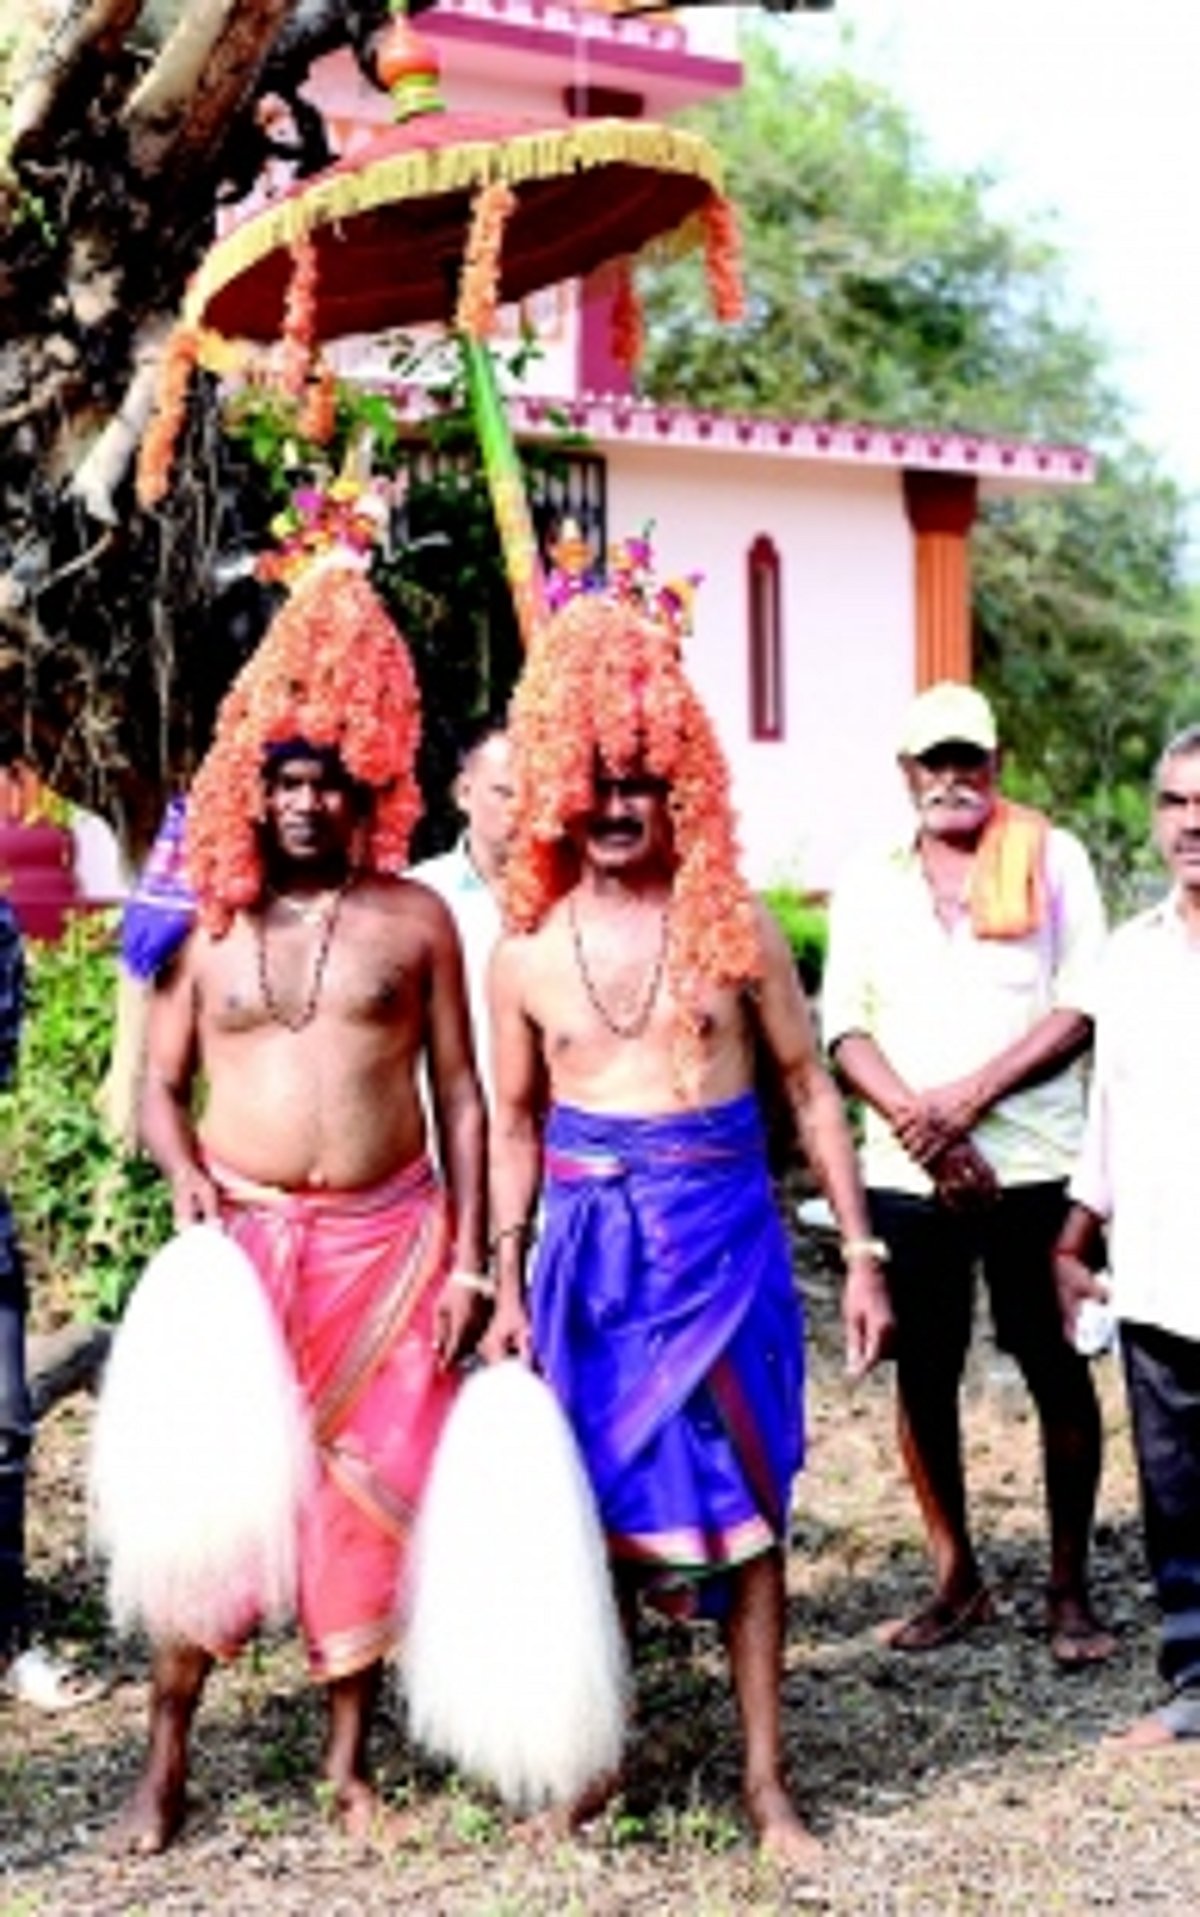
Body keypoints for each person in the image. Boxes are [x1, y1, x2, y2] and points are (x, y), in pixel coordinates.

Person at [484, 545, 892, 1868]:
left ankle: (769, 1785)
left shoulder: (739, 931)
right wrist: (499, 1278)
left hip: (727, 1253)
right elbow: (511, 1123)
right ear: (560, 792)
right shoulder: (523, 953)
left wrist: (867, 1254)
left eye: (640, 782)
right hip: (590, 1267)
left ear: (680, 789)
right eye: (594, 782)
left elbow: (812, 1094)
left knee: (752, 1520)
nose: (616, 805)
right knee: (591, 1511)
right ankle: (596, 1758)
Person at [117, 559, 487, 1851]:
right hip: (243, 1246)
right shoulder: (205, 929)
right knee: (206, 1503)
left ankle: (347, 1766)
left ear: (363, 792)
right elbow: (160, 1090)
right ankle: (165, 1767)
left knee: (369, 1495)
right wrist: (188, 1182)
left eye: (327, 781)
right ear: (254, 796)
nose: (304, 802)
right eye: (282, 783)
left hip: (393, 1244)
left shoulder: (415, 919)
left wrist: (474, 1264)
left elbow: (467, 1097)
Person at [823, 679, 1114, 1666]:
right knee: (927, 1370)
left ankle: (1069, 1590)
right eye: (933, 762)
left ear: (996, 767)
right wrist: (927, 1127)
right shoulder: (870, 876)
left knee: (1052, 1360)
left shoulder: (1052, 857)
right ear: (908, 774)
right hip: (910, 1170)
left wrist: (968, 1101)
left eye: (968, 760)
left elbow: (1081, 1006)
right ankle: (958, 1579)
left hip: (1033, 1161)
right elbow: (845, 1027)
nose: (952, 778)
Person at [1055, 723, 1200, 1747]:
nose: (1195, 825)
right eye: (1177, 804)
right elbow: (1109, 1111)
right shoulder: (1130, 957)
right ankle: (1196, 1682)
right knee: (1179, 1493)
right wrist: (1076, 1234)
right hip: (1158, 1273)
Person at [411, 716, 514, 1103]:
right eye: (505, 792)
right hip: (445, 1140)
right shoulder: (419, 898)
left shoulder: (574, 901)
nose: (522, 809)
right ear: (463, 793)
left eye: (537, 793)